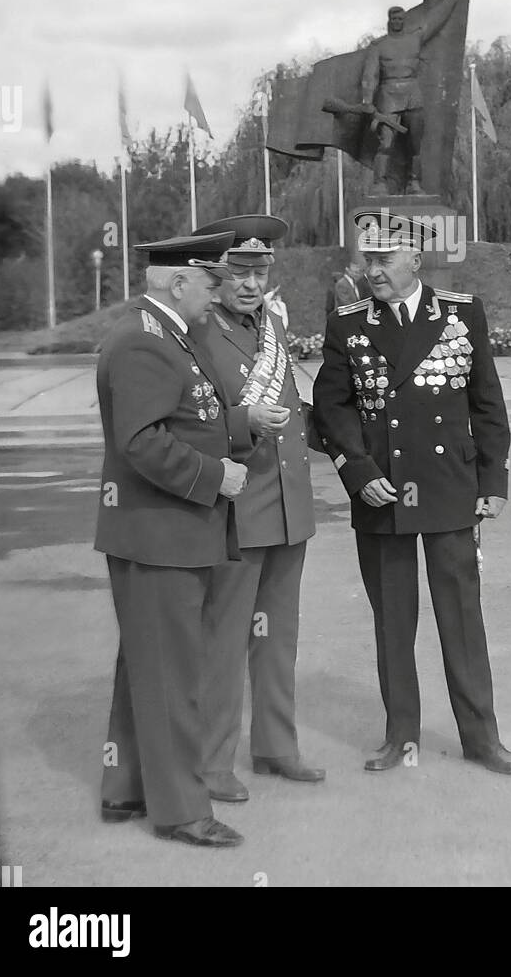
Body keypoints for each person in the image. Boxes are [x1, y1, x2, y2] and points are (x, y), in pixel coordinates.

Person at [313, 208, 511, 776]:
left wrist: (493, 480)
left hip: (448, 490)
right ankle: (400, 736)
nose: (373, 270)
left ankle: (481, 738)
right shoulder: (348, 323)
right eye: (367, 259)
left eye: (383, 259)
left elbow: (486, 401)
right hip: (381, 494)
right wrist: (357, 473)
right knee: (393, 623)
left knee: (462, 619)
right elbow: (332, 408)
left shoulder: (461, 313)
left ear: (414, 258)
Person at [95, 232, 267, 848]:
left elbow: (191, 415)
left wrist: (239, 428)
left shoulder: (166, 334)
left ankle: (127, 788)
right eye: (211, 280)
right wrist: (216, 475)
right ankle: (182, 810)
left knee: (145, 663)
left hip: (163, 531)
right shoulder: (145, 339)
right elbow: (141, 440)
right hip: (159, 533)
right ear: (178, 281)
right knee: (173, 674)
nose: (219, 290)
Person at [196, 215, 324, 797]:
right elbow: (186, 421)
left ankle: (276, 747)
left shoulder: (271, 323)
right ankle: (212, 762)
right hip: (237, 511)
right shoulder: (197, 328)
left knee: (279, 638)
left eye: (260, 270)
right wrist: (239, 422)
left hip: (287, 506)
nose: (250, 283)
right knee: (224, 642)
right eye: (239, 271)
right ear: (215, 272)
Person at [361, 0, 462, 193]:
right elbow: (370, 76)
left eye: (400, 19)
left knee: (416, 145)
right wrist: (367, 102)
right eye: (394, 19)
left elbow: (435, 21)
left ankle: (414, 182)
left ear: (404, 21)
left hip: (413, 96)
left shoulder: (414, 39)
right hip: (388, 96)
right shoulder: (378, 46)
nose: (397, 22)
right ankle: (380, 183)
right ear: (389, 21)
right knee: (386, 143)